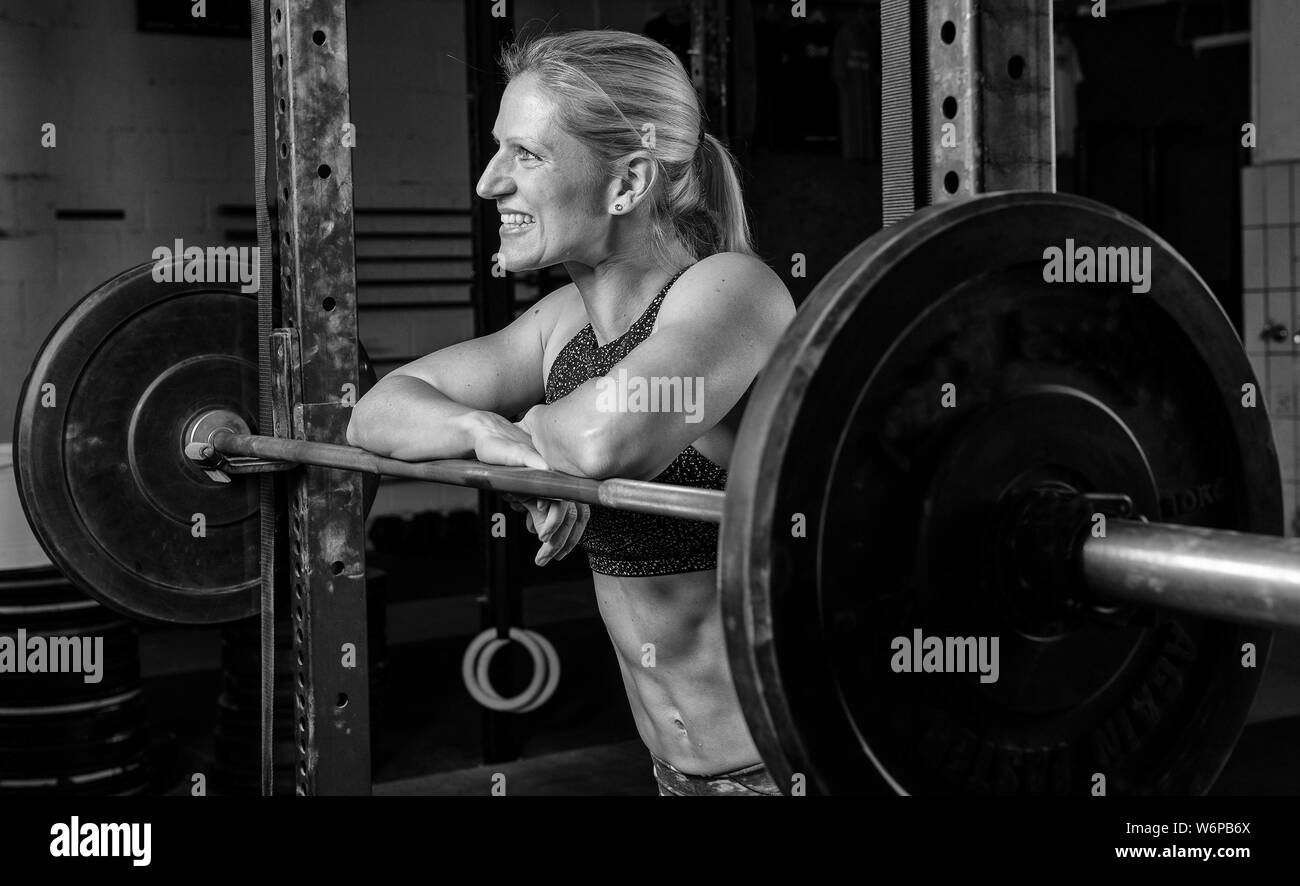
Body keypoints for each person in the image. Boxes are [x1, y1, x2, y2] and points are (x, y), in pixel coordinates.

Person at [346, 28, 794, 796]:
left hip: (785, 768)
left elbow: (605, 437)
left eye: (527, 154)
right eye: (498, 150)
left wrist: (532, 454)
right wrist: (487, 436)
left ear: (627, 183)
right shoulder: (561, 327)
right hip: (675, 774)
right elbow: (377, 413)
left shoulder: (732, 293)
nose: (489, 183)